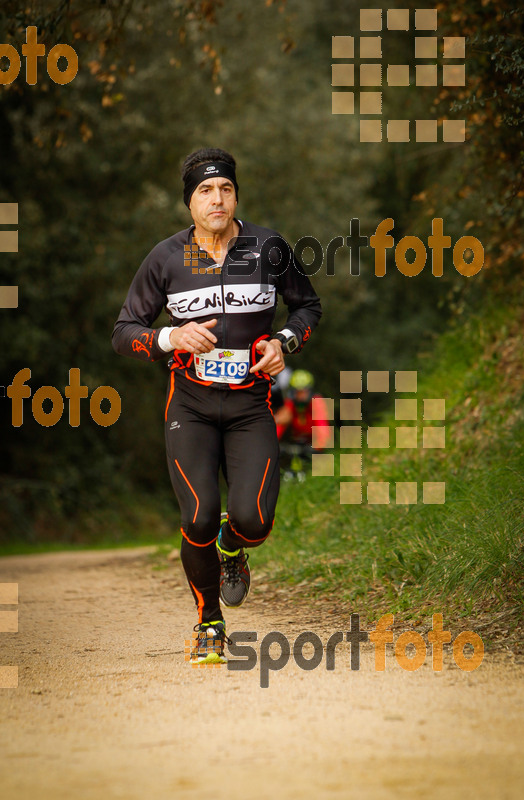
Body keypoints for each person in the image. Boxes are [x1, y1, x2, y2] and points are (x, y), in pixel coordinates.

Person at [112, 147, 321, 664]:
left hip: (251, 406)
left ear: (236, 194)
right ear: (189, 203)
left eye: (225, 188)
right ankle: (208, 621)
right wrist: (169, 338)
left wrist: (284, 343)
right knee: (199, 515)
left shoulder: (268, 247)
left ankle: (234, 545)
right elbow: (124, 332)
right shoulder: (165, 258)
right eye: (205, 191)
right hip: (192, 407)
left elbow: (308, 305)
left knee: (254, 521)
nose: (217, 198)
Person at [275, 369, 331, 451]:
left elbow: (322, 426)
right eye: (297, 392)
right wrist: (272, 444)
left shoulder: (317, 402)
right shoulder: (290, 404)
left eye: (304, 392)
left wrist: (320, 445)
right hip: (295, 442)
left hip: (314, 445)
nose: (301, 396)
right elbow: (278, 426)